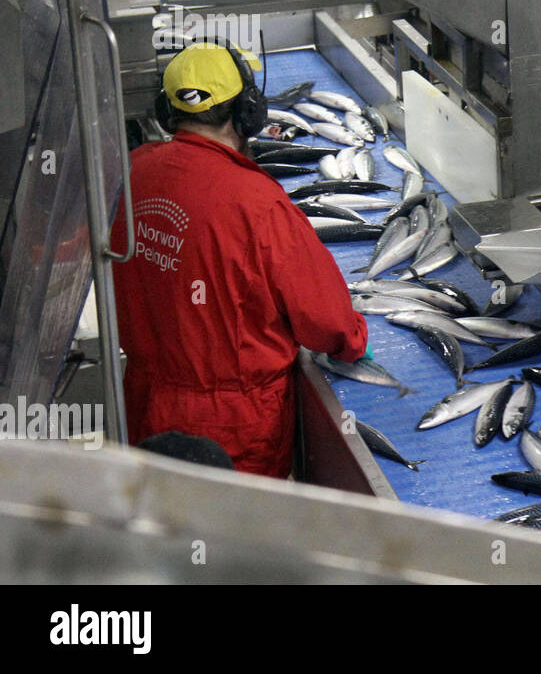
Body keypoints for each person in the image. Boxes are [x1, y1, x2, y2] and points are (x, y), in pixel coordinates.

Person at [110, 42, 367, 478]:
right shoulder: (256, 203)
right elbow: (327, 323)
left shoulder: (131, 171)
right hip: (233, 424)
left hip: (144, 400)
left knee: (161, 520)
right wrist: (354, 340)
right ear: (248, 110)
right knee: (233, 536)